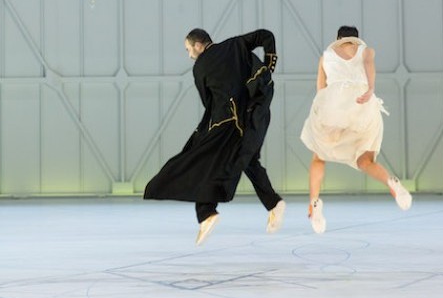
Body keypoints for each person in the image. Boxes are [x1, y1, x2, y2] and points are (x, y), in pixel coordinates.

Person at [144, 28, 285, 245]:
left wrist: (204, 131)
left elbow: (209, 104)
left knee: (202, 162)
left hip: (227, 124)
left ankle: (207, 213)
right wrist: (268, 67)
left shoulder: (200, 67)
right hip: (255, 115)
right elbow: (266, 35)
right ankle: (274, 204)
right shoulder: (235, 44)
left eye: (188, 49)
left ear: (198, 45)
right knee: (247, 160)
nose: (189, 55)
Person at [300, 26, 412, 234]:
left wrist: (321, 115)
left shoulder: (326, 55)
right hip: (362, 106)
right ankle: (391, 182)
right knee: (365, 161)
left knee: (319, 157)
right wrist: (370, 88)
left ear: (338, 39)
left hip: (333, 106)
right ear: (357, 38)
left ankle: (314, 204)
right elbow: (369, 65)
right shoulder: (365, 50)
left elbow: (320, 89)